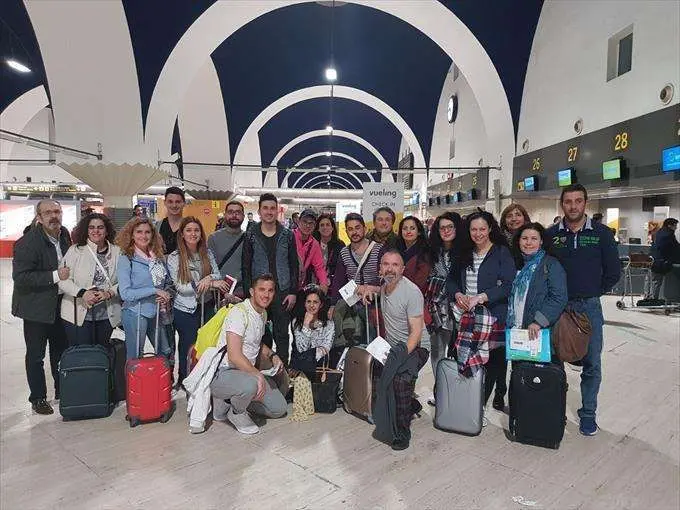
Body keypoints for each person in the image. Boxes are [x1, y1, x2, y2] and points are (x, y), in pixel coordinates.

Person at [544, 184, 621, 436]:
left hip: (589, 307)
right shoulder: (552, 235)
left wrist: (593, 291)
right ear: (562, 204)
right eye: (568, 201)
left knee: (592, 363)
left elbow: (613, 272)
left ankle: (588, 414)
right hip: (558, 307)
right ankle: (553, 410)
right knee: (555, 361)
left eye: (578, 201)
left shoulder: (602, 234)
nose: (573, 206)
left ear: (585, 203)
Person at [358, 249, 428, 450]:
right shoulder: (385, 286)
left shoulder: (412, 292)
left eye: (395, 265)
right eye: (385, 264)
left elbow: (416, 333)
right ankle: (410, 407)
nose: (390, 269)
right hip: (393, 346)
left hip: (416, 347)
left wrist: (400, 356)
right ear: (380, 268)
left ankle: (402, 433)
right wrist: (367, 290)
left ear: (403, 269)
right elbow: (375, 290)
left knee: (399, 380)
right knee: (380, 376)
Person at [446, 211, 516, 412]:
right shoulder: (463, 252)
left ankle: (480, 406)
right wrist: (458, 293)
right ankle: (468, 400)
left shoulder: (501, 252)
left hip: (493, 316)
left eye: (482, 229)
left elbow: (509, 285)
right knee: (467, 359)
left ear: (490, 229)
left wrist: (482, 296)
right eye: (473, 229)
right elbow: (451, 281)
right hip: (467, 317)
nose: (478, 234)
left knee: (492, 363)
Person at [12, 199, 71, 415]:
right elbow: (21, 277)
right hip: (35, 308)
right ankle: (37, 398)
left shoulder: (64, 235)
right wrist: (55, 276)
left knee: (60, 350)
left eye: (56, 211)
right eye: (48, 213)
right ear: (39, 217)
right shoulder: (27, 243)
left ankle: (62, 390)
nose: (53, 216)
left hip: (59, 304)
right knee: (36, 355)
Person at [210, 274, 288, 434]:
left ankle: (231, 401)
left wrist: (272, 355)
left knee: (279, 409)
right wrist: (257, 375)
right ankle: (236, 412)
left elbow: (254, 342)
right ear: (252, 291)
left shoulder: (262, 313)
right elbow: (234, 355)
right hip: (223, 373)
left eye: (270, 290)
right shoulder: (239, 313)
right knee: (252, 383)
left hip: (246, 374)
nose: (266, 295)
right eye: (261, 290)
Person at [168, 217, 230, 387]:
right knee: (187, 346)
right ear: (182, 234)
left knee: (207, 344)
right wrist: (207, 283)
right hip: (185, 310)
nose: (193, 233)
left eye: (196, 230)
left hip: (208, 306)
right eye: (188, 230)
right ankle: (184, 378)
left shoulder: (207, 253)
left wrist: (209, 278)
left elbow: (218, 275)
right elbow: (182, 288)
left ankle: (204, 376)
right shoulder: (174, 257)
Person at [242, 193, 299, 364]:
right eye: (265, 208)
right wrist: (248, 295)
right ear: (259, 211)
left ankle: (283, 373)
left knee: (282, 335)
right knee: (259, 334)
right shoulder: (251, 235)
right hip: (259, 294)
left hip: (282, 292)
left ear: (277, 211)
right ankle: (261, 371)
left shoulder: (287, 235)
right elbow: (245, 266)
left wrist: (293, 292)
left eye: (272, 208)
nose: (269, 212)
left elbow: (294, 264)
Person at [59, 213, 121, 347]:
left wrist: (109, 293)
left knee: (103, 356)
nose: (96, 231)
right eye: (91, 227)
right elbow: (63, 279)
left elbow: (125, 280)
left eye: (100, 227)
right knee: (82, 357)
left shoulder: (117, 252)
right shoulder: (75, 251)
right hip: (77, 315)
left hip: (107, 315)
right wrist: (82, 293)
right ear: (86, 230)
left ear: (107, 230)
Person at [116, 218, 173, 361]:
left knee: (165, 351)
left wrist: (166, 294)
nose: (144, 236)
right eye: (139, 232)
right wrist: (154, 291)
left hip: (158, 312)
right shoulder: (126, 258)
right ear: (132, 234)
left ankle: (159, 382)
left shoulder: (157, 257)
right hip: (135, 312)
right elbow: (125, 293)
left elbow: (167, 283)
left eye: (147, 232)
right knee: (135, 355)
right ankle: (134, 383)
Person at [329, 213, 384, 346]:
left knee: (373, 341)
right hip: (352, 305)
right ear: (346, 231)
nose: (354, 232)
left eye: (357, 228)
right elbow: (338, 280)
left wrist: (370, 287)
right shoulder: (344, 253)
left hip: (375, 304)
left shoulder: (379, 249)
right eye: (350, 229)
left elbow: (385, 277)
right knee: (352, 340)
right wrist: (333, 305)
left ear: (365, 229)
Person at [507, 223, 567, 341]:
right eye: (524, 238)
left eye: (534, 239)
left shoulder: (550, 264)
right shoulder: (514, 264)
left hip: (539, 329)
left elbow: (559, 297)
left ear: (541, 242)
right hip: (516, 330)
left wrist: (539, 322)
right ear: (518, 241)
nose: (528, 242)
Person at [425, 212, 462, 405]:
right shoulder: (433, 251)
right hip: (436, 308)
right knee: (437, 350)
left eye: (450, 227)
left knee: (457, 350)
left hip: (459, 308)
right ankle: (439, 390)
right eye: (442, 228)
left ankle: (455, 391)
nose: (446, 231)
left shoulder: (465, 251)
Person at [289, 287, 336, 374]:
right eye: (309, 302)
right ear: (305, 303)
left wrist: (311, 355)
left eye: (315, 302)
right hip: (300, 367)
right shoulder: (296, 321)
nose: (311, 305)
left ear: (321, 305)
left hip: (319, 367)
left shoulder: (329, 324)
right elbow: (301, 348)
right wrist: (306, 325)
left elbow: (326, 347)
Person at [208, 201, 247, 298]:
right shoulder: (214, 238)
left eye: (238, 212)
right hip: (219, 292)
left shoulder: (249, 238)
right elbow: (209, 267)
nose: (234, 215)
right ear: (225, 215)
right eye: (230, 212)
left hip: (242, 292)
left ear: (243, 216)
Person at [294, 209, 329, 293]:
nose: (307, 226)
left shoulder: (314, 244)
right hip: (285, 285)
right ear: (299, 222)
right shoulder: (289, 237)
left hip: (300, 285)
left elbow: (319, 267)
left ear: (314, 226)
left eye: (311, 223)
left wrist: (324, 283)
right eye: (305, 222)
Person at [396, 215, 432, 294]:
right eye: (405, 228)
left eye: (412, 228)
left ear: (419, 232)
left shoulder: (424, 253)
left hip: (414, 296)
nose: (408, 231)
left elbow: (419, 284)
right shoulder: (398, 251)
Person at [648, 218, 680, 300]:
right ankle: (653, 301)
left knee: (651, 280)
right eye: (675, 225)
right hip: (660, 262)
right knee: (656, 282)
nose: (676, 228)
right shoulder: (668, 235)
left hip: (653, 260)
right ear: (669, 225)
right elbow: (674, 248)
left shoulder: (659, 232)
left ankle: (648, 298)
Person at [313, 213, 345, 286]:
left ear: (332, 228)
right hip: (314, 284)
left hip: (334, 284)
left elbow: (341, 269)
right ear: (318, 228)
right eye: (322, 225)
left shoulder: (340, 245)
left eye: (328, 225)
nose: (325, 227)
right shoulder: (313, 244)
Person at [158, 186, 186, 255]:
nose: (174, 205)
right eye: (170, 202)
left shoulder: (190, 227)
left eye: (178, 202)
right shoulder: (156, 227)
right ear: (165, 203)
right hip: (161, 265)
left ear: (184, 203)